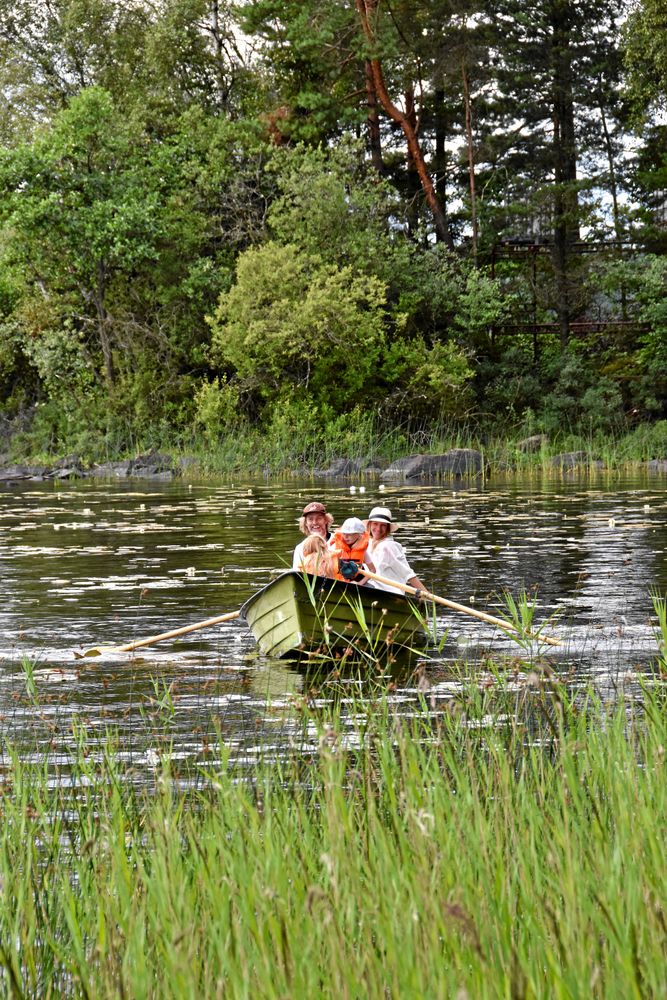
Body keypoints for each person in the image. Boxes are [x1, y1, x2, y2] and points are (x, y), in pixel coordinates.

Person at [365, 506, 426, 595]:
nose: (378, 528)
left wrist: (425, 594)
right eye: (375, 524)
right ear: (369, 525)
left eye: (383, 525)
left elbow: (407, 573)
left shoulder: (389, 546)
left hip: (388, 593)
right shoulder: (367, 543)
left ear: (388, 528)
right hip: (370, 587)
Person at [328, 516, 376, 583]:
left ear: (359, 535)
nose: (346, 537)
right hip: (338, 582)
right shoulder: (334, 547)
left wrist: (360, 583)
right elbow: (325, 568)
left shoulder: (362, 550)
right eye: (344, 533)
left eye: (350, 534)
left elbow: (373, 570)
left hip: (356, 581)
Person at [292, 501, 334, 570]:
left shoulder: (339, 541)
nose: (314, 523)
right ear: (305, 523)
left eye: (319, 518)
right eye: (310, 519)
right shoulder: (300, 548)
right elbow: (297, 576)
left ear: (326, 520)